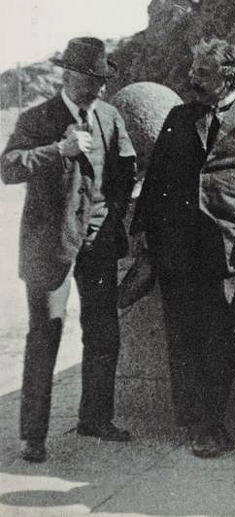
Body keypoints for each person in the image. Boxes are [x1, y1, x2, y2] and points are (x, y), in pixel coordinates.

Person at [130, 38, 235, 458]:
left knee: (221, 338)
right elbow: (155, 180)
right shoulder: (178, 116)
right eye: (193, 71)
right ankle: (192, 418)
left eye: (202, 74)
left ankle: (211, 423)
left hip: (228, 247)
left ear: (229, 77)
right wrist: (142, 235)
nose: (192, 80)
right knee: (183, 335)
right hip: (178, 247)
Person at [1, 37, 137, 463]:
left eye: (102, 80)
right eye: (91, 79)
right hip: (49, 246)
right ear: (69, 75)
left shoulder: (110, 117)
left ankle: (96, 418)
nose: (98, 88)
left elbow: (125, 171)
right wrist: (57, 150)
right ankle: (33, 436)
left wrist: (108, 217)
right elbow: (8, 167)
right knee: (46, 335)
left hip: (97, 242)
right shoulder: (37, 117)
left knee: (103, 333)